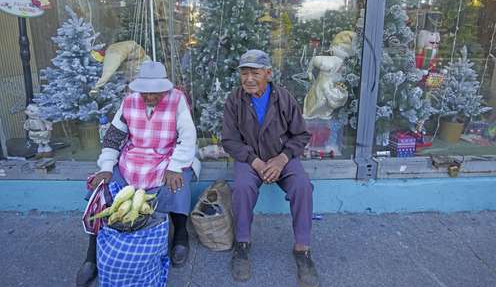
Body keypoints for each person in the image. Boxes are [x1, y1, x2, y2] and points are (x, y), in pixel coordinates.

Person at [76, 61, 199, 286]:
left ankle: (180, 235)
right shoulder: (129, 101)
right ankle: (91, 255)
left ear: (165, 88)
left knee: (176, 185)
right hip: (132, 159)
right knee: (102, 191)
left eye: (155, 93)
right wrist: (105, 167)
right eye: (145, 92)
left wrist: (175, 166)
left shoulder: (177, 99)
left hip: (166, 156)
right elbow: (113, 136)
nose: (149, 97)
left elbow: (188, 136)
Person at [222, 50, 319, 287]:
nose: (249, 79)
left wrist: (282, 159)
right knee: (243, 187)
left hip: (282, 157)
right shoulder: (235, 100)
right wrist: (255, 161)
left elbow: (300, 134)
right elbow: (229, 140)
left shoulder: (284, 98)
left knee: (302, 186)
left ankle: (302, 250)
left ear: (268, 73)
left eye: (255, 73)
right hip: (250, 158)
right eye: (244, 73)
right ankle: (242, 245)